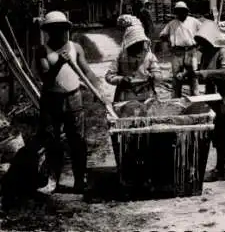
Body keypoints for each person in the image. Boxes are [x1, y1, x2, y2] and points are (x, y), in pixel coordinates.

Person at [34, 11, 100, 193]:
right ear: (48, 31)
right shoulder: (42, 51)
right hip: (51, 100)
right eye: (54, 30)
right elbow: (46, 78)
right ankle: (53, 181)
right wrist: (59, 64)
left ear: (66, 29)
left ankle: (80, 181)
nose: (59, 33)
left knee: (77, 140)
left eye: (62, 29)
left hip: (74, 98)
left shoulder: (75, 47)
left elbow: (86, 71)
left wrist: (97, 88)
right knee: (52, 141)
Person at [179, 22, 225, 184]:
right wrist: (188, 74)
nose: (202, 45)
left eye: (205, 41)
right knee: (219, 134)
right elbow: (201, 72)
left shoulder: (224, 51)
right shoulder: (207, 53)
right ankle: (220, 168)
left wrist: (205, 73)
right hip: (214, 95)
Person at [105, 20, 161, 102]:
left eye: (140, 43)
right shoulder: (121, 57)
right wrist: (121, 79)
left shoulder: (149, 56)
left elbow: (158, 74)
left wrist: (153, 76)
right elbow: (109, 76)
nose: (138, 46)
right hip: (125, 96)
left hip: (146, 95)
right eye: (135, 44)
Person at [159, 1, 202, 98]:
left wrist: (198, 43)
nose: (181, 13)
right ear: (176, 12)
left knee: (193, 75)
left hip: (191, 51)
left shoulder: (194, 21)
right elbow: (162, 35)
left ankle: (195, 97)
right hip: (177, 52)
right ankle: (176, 98)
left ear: (187, 11)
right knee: (177, 77)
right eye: (178, 11)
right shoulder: (172, 23)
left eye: (183, 11)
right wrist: (170, 42)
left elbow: (203, 32)